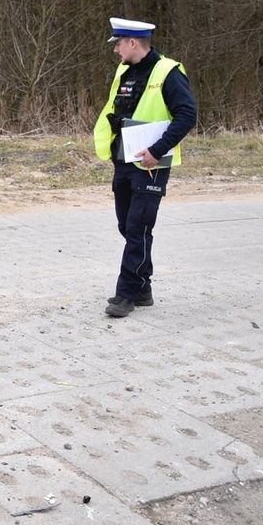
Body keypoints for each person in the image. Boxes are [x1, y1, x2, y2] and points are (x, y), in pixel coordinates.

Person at [93, 17, 197, 317]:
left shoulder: (168, 72)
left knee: (138, 226)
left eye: (118, 44)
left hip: (151, 164)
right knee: (127, 226)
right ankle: (143, 287)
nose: (115, 50)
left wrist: (156, 150)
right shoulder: (124, 71)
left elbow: (187, 115)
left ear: (133, 43)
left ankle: (125, 294)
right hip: (124, 160)